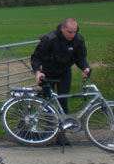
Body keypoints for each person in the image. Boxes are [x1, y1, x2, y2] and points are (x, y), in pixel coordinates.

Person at [31, 18, 90, 146]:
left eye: (74, 32)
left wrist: (85, 67)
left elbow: (80, 58)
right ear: (62, 28)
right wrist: (38, 71)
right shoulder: (49, 39)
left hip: (64, 72)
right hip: (48, 72)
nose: (72, 35)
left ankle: (61, 135)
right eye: (69, 32)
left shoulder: (78, 40)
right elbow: (36, 57)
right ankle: (48, 132)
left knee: (63, 102)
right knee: (48, 102)